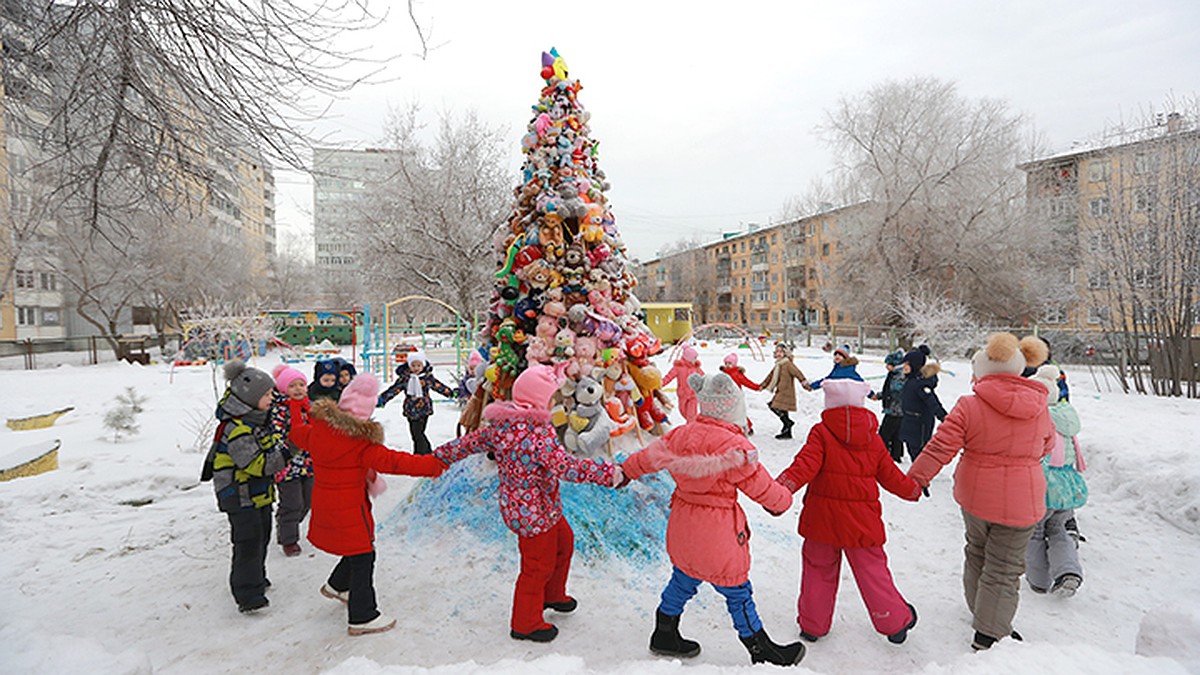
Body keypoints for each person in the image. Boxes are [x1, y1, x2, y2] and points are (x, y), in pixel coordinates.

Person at [622, 372, 805, 666]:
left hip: (683, 527)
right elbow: (763, 489)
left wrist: (624, 472)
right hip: (718, 534)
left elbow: (646, 457)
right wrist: (783, 501)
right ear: (734, 408)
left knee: (683, 578)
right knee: (737, 591)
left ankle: (664, 633)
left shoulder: (680, 434)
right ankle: (760, 649)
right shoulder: (735, 448)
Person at [432, 365, 622, 643]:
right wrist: (609, 474)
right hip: (531, 513)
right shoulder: (535, 434)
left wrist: (442, 455)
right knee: (537, 566)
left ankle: (553, 595)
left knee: (563, 544)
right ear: (536, 401)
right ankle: (525, 622)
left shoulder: (508, 426)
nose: (555, 402)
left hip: (544, 506)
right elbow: (565, 466)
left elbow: (469, 442)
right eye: (551, 398)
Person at [907, 333, 1055, 651]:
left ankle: (981, 610)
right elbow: (1048, 444)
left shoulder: (969, 404)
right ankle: (989, 632)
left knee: (977, 550)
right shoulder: (1040, 406)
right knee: (1004, 567)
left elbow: (941, 445)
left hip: (975, 496)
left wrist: (917, 479)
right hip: (1022, 500)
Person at [289, 372, 447, 636]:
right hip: (350, 507)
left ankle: (338, 586)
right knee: (364, 554)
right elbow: (398, 462)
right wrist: (435, 464)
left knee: (356, 550)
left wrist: (296, 407)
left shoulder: (316, 432)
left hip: (325, 503)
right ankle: (363, 616)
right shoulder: (361, 444)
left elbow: (296, 433)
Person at [774, 378, 922, 645]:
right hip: (862, 523)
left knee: (817, 570)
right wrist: (913, 490)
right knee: (872, 572)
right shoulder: (873, 438)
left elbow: (802, 467)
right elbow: (890, 475)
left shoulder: (821, 432)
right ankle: (893, 621)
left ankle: (812, 625)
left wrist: (778, 491)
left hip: (822, 520)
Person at [201, 360, 291, 614]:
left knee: (261, 537)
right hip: (240, 496)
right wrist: (289, 452)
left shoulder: (256, 419)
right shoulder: (238, 429)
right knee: (247, 542)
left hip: (257, 495)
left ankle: (257, 578)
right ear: (250, 398)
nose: (272, 398)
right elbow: (257, 465)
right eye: (266, 394)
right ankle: (248, 593)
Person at [1026, 365, 1088, 597]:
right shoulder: (1067, 417)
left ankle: (1039, 581)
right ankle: (1068, 572)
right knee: (1059, 529)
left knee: (1034, 533)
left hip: (1043, 489)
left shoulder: (1036, 419)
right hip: (1066, 488)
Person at [378, 350, 458, 455]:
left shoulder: (427, 377)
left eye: (418, 365)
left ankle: (425, 453)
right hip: (410, 409)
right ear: (409, 366)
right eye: (413, 365)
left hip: (424, 409)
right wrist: (383, 399)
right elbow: (394, 389)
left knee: (419, 433)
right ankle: (420, 454)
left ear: (423, 365)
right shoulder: (405, 378)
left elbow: (439, 386)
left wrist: (451, 393)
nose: (416, 368)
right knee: (415, 434)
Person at [271, 364, 313, 557]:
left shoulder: (310, 407)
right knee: (292, 503)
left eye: (301, 384)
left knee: (308, 501)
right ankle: (289, 539)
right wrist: (284, 453)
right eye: (292, 386)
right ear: (283, 389)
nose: (298, 389)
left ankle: (287, 521)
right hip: (287, 466)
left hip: (309, 464)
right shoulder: (279, 410)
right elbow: (276, 435)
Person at [898, 345, 947, 462]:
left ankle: (919, 477)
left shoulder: (921, 385)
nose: (904, 367)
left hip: (920, 425)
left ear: (914, 366)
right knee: (912, 450)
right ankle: (917, 476)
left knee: (918, 453)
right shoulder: (911, 381)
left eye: (906, 364)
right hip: (909, 421)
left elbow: (933, 402)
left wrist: (944, 417)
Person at [759, 342, 808, 439]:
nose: (778, 354)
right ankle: (787, 431)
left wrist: (805, 384)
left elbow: (798, 373)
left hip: (786, 391)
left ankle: (788, 423)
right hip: (780, 390)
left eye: (781, 352)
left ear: (786, 353)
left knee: (774, 406)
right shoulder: (778, 365)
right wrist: (762, 385)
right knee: (782, 409)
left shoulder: (788, 364)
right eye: (777, 351)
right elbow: (770, 376)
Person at [876, 350, 907, 462]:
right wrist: (880, 395)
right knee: (896, 433)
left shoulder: (899, 375)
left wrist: (884, 396)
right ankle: (896, 454)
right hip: (897, 409)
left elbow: (895, 391)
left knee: (885, 433)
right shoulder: (894, 374)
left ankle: (881, 453)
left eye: (888, 365)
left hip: (895, 409)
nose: (886, 367)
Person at [719, 352, 759, 435]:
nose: (727, 365)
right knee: (727, 413)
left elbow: (747, 382)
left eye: (729, 363)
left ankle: (748, 426)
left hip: (736, 397)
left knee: (739, 412)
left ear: (734, 364)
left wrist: (757, 387)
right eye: (726, 363)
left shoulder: (737, 374)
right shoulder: (724, 374)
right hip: (726, 397)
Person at [662, 344, 704, 422]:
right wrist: (660, 383)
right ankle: (691, 423)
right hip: (683, 394)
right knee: (683, 411)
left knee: (691, 415)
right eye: (694, 358)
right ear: (688, 358)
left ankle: (691, 428)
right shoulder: (678, 367)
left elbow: (703, 377)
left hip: (693, 395)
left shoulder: (696, 368)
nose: (696, 360)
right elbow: (669, 377)